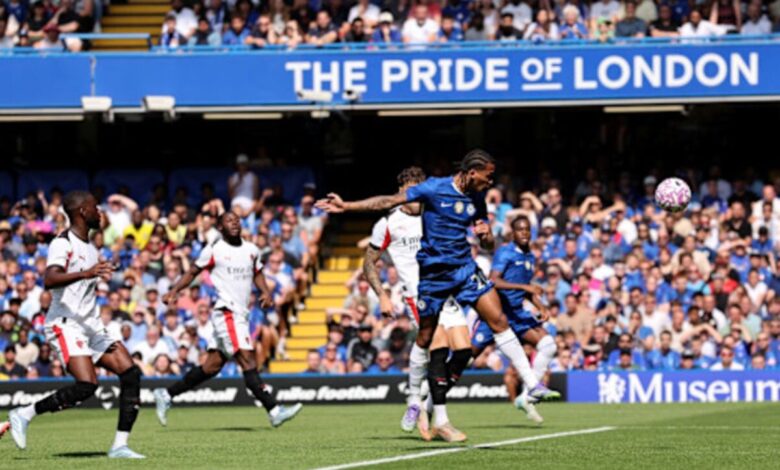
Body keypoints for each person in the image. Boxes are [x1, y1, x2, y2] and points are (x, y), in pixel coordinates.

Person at [316, 149, 560, 439]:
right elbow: (389, 201)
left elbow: (488, 244)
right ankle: (415, 401)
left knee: (496, 321)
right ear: (472, 173)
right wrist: (347, 207)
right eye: (488, 176)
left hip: (465, 270)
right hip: (432, 277)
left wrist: (486, 237)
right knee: (427, 339)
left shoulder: (477, 198)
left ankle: (531, 383)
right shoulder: (433, 189)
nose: (491, 182)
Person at [2, 191, 145, 458]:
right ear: (82, 211)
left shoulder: (92, 248)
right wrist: (86, 273)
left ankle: (119, 446)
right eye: (95, 208)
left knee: (131, 374)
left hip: (91, 325)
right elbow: (50, 278)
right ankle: (24, 414)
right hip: (65, 324)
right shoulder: (63, 242)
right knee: (87, 385)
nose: (99, 212)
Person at [153, 212, 302, 429]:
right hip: (227, 312)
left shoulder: (251, 249)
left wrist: (266, 292)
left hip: (241, 313)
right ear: (221, 228)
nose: (234, 223)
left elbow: (257, 272)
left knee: (210, 368)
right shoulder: (215, 249)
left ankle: (166, 394)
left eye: (237, 220)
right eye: (229, 221)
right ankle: (274, 410)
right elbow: (193, 271)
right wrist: (174, 291)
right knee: (247, 360)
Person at [363, 167, 471, 442]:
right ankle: (442, 420)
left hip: (446, 292)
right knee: (439, 347)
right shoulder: (388, 223)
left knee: (463, 351)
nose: (412, 198)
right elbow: (369, 261)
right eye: (407, 192)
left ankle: (422, 398)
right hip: (418, 295)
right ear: (400, 192)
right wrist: (383, 294)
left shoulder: (434, 214)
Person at [470, 216, 556, 423]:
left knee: (548, 344)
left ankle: (528, 396)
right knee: (465, 356)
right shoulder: (505, 253)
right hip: (495, 315)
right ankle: (431, 393)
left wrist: (541, 307)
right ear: (513, 233)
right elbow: (493, 281)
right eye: (520, 230)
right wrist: (524, 288)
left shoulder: (530, 257)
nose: (524, 233)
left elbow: (527, 289)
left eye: (527, 229)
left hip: (516, 315)